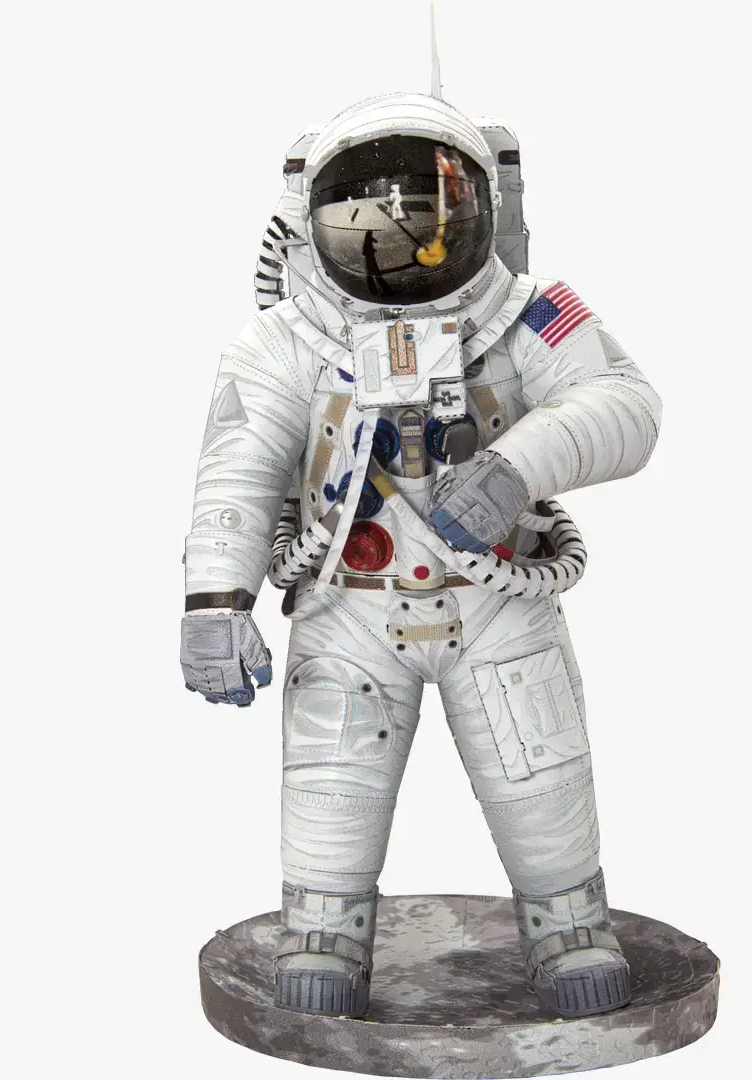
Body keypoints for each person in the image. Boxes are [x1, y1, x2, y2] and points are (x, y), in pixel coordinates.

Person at [180, 92, 662, 1019]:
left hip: (498, 602)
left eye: (429, 207)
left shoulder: (529, 314)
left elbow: (625, 403)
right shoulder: (284, 340)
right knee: (331, 783)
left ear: (483, 200)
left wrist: (517, 469)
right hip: (349, 602)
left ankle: (569, 927)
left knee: (539, 770)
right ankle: (323, 930)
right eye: (364, 211)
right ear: (310, 217)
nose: (401, 237)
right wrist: (215, 601)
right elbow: (237, 466)